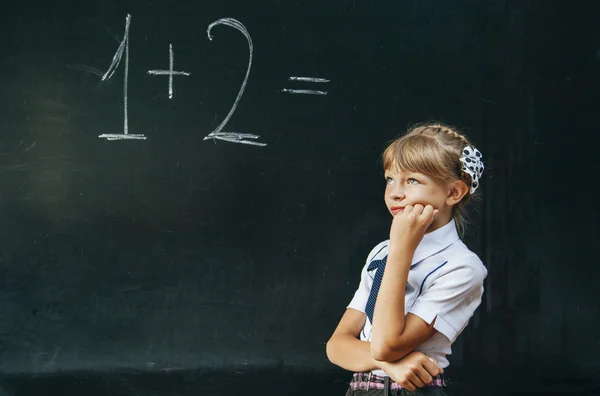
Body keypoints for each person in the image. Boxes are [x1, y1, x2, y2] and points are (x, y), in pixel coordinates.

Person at [326, 123, 488, 395]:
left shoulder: (462, 267)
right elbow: (337, 345)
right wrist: (390, 366)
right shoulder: (381, 251)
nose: (395, 192)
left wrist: (402, 248)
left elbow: (386, 345)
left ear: (453, 192)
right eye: (390, 179)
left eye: (412, 180)